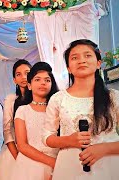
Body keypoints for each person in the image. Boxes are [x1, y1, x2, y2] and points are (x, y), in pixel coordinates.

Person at [43, 39, 119, 179]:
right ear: (68, 68)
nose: (81, 60)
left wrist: (104, 148)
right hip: (70, 167)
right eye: (74, 58)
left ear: (98, 63)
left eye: (87, 55)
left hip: (109, 165)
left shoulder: (114, 97)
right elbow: (47, 138)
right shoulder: (58, 99)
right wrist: (68, 140)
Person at [12, 62, 59, 180]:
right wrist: (52, 162)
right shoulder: (22, 110)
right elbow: (22, 145)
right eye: (37, 79)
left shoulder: (59, 109)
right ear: (29, 85)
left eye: (47, 80)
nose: (43, 83)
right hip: (30, 165)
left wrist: (59, 164)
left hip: (59, 163)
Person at [0, 59, 32, 180]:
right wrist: (18, 158)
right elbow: (7, 131)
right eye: (18, 74)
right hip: (15, 153)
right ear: (14, 80)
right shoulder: (11, 100)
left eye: (27, 73)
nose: (23, 77)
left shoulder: (42, 99)